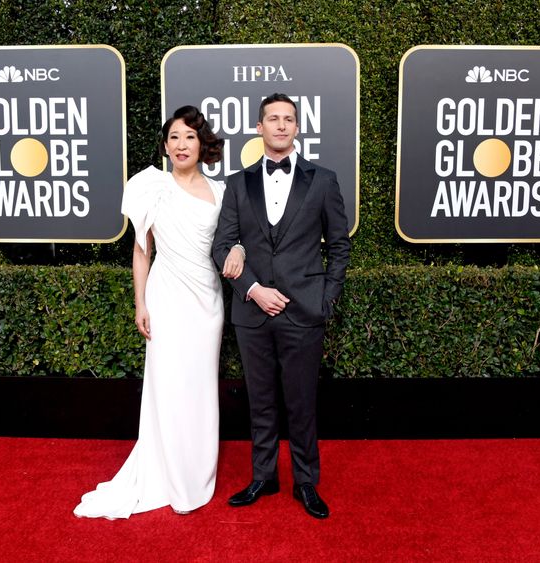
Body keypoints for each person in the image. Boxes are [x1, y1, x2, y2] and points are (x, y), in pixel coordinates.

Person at [74, 106, 244, 519]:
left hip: (207, 302)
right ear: (165, 146)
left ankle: (195, 475)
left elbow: (236, 241)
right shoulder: (151, 187)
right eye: (173, 137)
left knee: (201, 387)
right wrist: (140, 303)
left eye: (189, 136)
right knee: (167, 386)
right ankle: (165, 473)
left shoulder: (223, 192)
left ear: (203, 143)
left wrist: (239, 248)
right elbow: (141, 251)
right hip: (166, 298)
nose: (181, 144)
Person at [212, 93, 350, 519]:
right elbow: (221, 246)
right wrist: (253, 289)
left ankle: (306, 482)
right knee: (261, 399)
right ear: (259, 127)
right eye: (273, 118)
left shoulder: (323, 180)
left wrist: (324, 299)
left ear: (297, 127)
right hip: (252, 311)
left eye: (289, 119)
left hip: (303, 311)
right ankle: (263, 476)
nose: (281, 125)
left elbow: (340, 247)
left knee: (302, 400)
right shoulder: (238, 183)